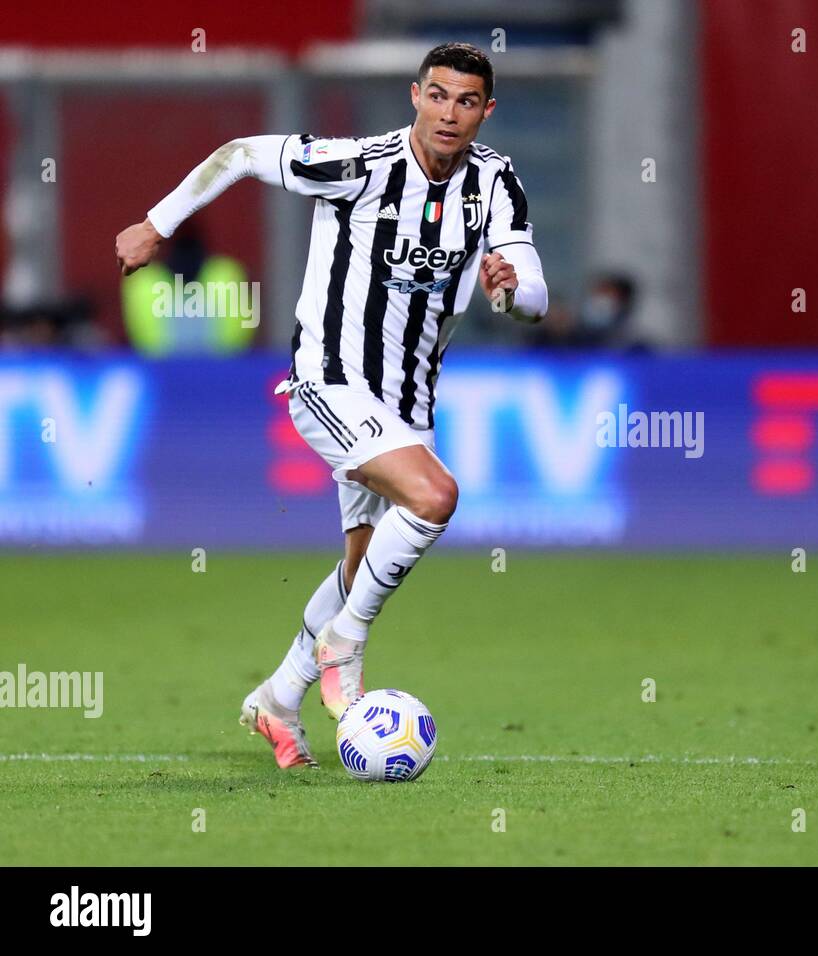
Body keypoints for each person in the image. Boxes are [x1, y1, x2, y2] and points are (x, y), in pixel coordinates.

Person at [113, 42, 548, 768]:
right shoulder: (359, 167)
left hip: (409, 400)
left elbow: (529, 294)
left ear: (486, 111)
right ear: (416, 96)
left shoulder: (495, 182)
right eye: (438, 95)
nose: (450, 113)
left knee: (364, 560)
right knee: (435, 496)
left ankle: (279, 698)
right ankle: (345, 644)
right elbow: (242, 153)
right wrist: (157, 224)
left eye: (467, 101)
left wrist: (510, 290)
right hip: (330, 379)